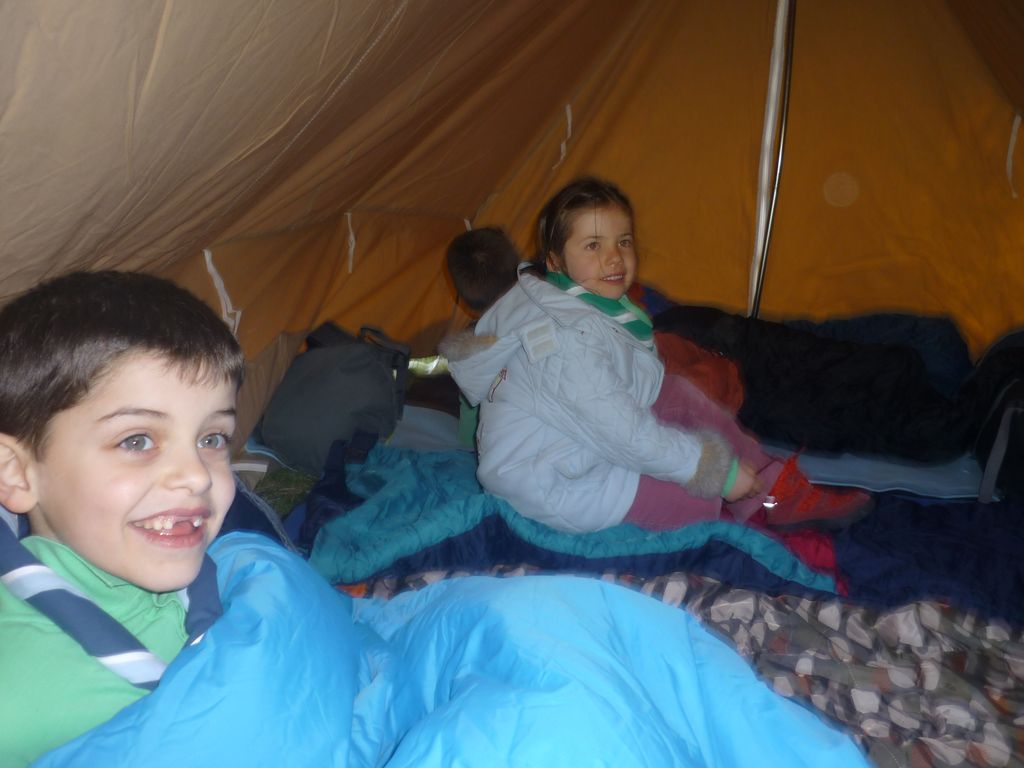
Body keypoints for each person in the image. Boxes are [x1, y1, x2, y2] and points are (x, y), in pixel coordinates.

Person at [444, 176, 873, 534]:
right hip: (555, 487)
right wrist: (715, 473)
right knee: (699, 508)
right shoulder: (562, 337)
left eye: (623, 241)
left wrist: (693, 425)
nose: (614, 257)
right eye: (593, 245)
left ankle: (772, 489)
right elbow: (623, 432)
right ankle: (754, 509)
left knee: (677, 393)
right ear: (555, 262)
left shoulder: (564, 300)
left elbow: (632, 385)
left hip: (576, 448)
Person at [0, 270, 245, 764]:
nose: (196, 475)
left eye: (212, 438)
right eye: (137, 440)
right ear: (18, 474)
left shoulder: (242, 574)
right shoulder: (17, 706)